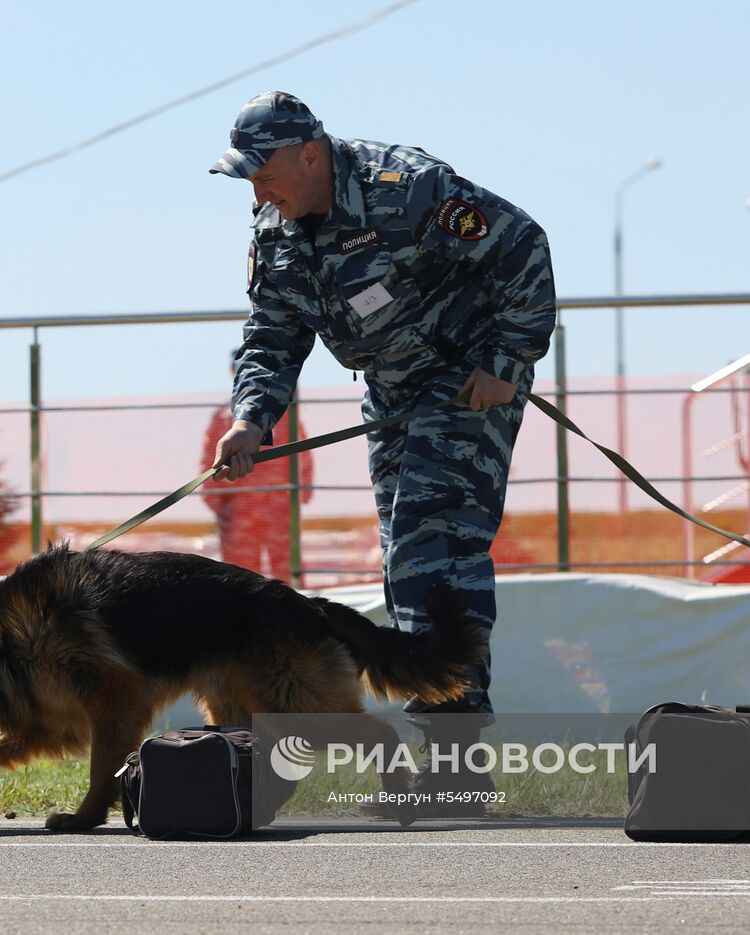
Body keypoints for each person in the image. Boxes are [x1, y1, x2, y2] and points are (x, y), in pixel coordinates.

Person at [208, 92, 557, 815]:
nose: (256, 189)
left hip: (466, 384)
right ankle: (451, 765)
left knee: (431, 550)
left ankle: (454, 768)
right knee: (406, 557)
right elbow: (271, 335)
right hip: (392, 392)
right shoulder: (276, 227)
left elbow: (523, 247)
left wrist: (507, 356)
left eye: (263, 171)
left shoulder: (409, 190)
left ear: (311, 154)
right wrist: (250, 421)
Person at [201, 351, 313, 583]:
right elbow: (210, 463)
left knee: (280, 574)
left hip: (275, 507)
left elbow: (302, 455)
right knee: (242, 577)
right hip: (244, 508)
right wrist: (218, 504)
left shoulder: (280, 414)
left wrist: (298, 495)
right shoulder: (227, 417)